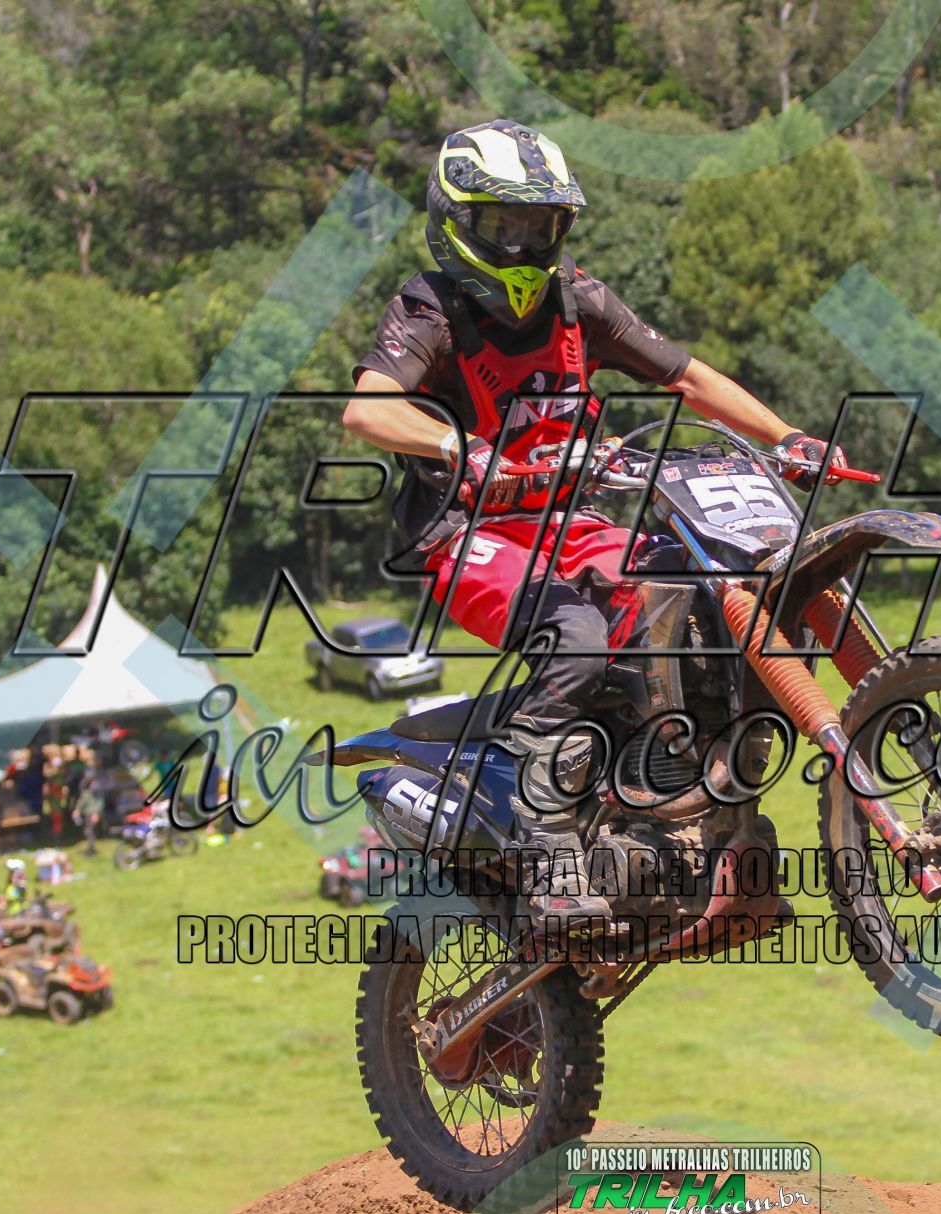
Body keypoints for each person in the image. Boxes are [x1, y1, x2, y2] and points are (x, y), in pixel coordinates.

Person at [341, 119, 848, 932]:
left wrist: (786, 437)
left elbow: (688, 377)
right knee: (574, 632)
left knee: (697, 594)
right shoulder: (429, 308)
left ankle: (674, 804)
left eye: (538, 224)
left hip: (567, 521)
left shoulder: (580, 300)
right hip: (465, 535)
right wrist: (459, 446)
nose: (521, 244)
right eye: (503, 224)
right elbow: (367, 410)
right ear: (457, 221)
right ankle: (543, 836)